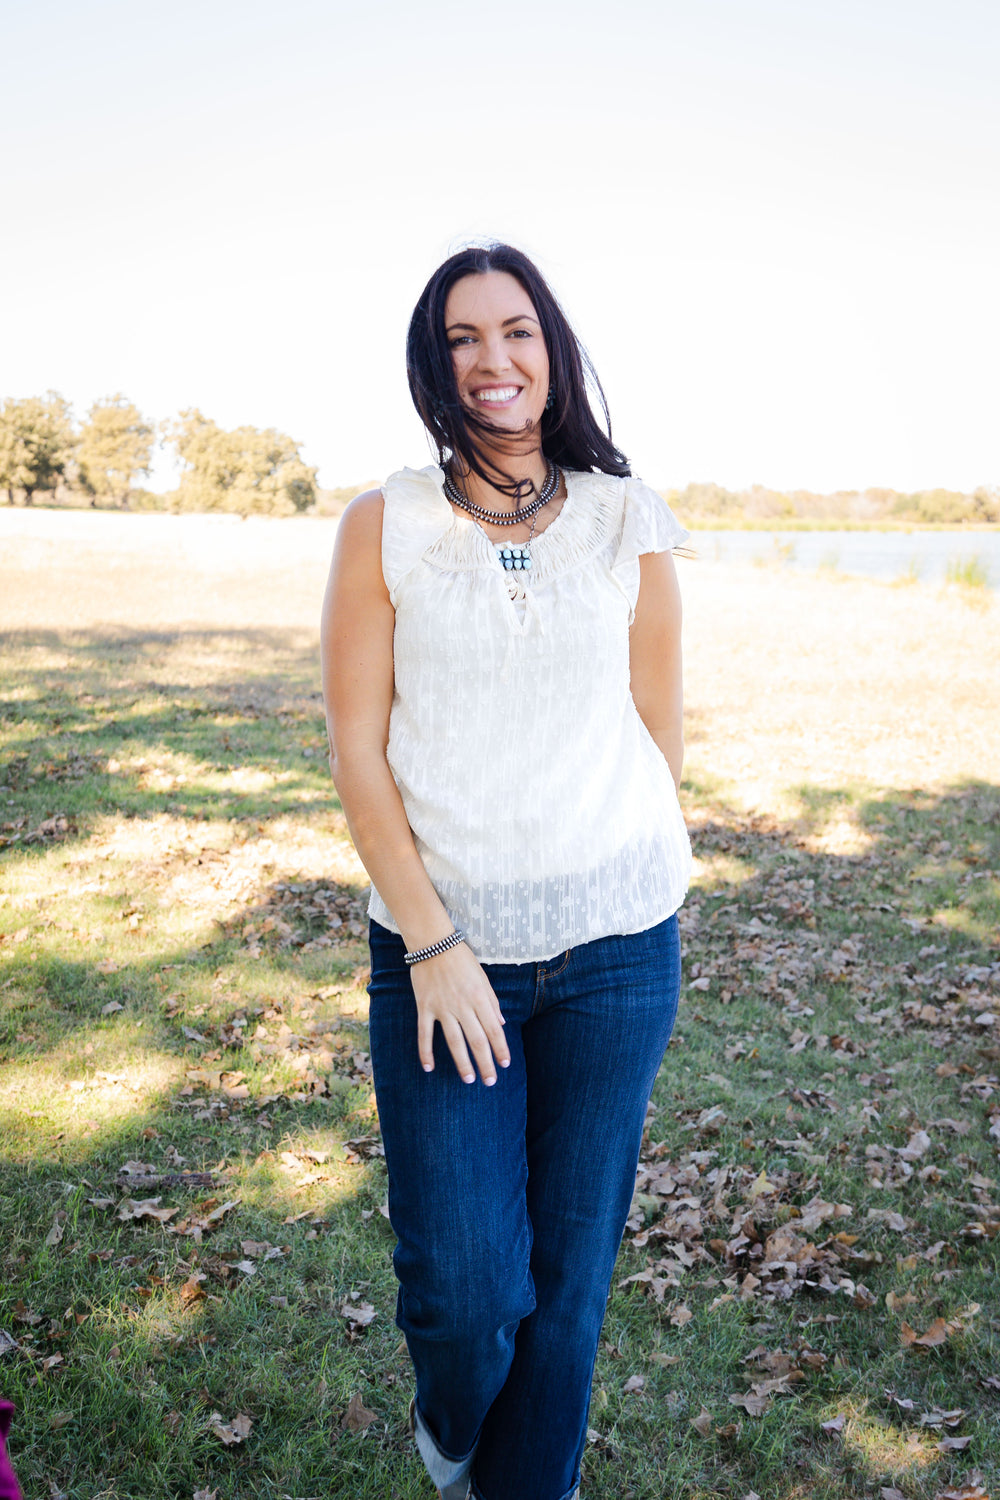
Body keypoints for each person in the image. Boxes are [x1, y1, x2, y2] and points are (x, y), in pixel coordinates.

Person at [320, 242, 691, 1500]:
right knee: (470, 1289)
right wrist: (432, 945)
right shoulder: (385, 524)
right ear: (436, 364)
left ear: (553, 350)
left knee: (569, 1285)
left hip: (618, 951)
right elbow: (358, 756)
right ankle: (453, 1440)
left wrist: (606, 862)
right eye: (466, 338)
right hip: (443, 953)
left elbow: (658, 729)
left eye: (517, 332)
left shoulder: (624, 517)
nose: (495, 361)